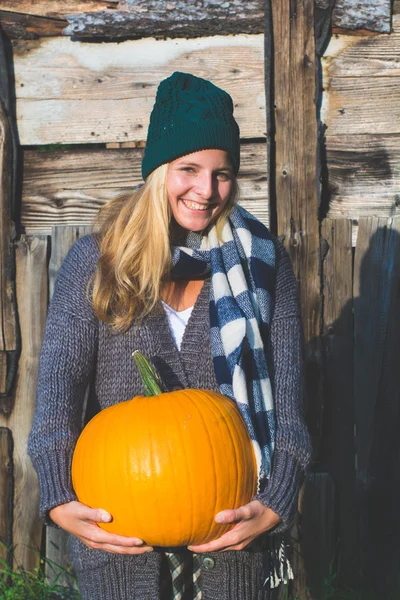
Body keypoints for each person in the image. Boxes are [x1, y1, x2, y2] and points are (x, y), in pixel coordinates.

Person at [28, 71, 311, 600]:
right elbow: (56, 406)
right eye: (189, 169)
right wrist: (60, 497)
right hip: (119, 539)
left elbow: (291, 412)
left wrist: (275, 502)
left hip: (236, 543)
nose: (207, 191)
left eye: (222, 174)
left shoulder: (264, 266)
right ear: (158, 170)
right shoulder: (97, 263)